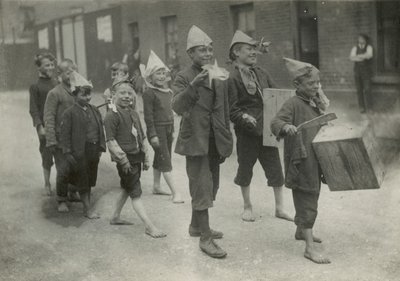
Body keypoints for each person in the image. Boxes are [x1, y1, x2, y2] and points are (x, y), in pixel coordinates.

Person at [172, 25, 233, 258]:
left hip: (214, 138)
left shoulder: (217, 72)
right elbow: (177, 105)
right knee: (202, 186)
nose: (207, 54)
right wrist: (193, 85)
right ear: (190, 54)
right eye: (201, 51)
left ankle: (196, 226)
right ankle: (205, 239)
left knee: (212, 185)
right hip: (195, 140)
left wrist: (226, 135)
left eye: (209, 50)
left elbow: (224, 106)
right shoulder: (183, 76)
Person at [227, 30, 292, 222]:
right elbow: (232, 109)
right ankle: (247, 206)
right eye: (249, 49)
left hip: (268, 131)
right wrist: (244, 116)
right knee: (245, 169)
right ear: (237, 52)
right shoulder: (233, 78)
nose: (254, 52)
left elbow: (275, 95)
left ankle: (280, 208)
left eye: (255, 49)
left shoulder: (262, 73)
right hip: (247, 133)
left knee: (275, 169)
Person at [271, 57, 331, 264]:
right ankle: (309, 248)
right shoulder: (293, 104)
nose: (315, 87)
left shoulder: (313, 102)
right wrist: (285, 127)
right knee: (306, 197)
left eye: (317, 83)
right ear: (297, 85)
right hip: (301, 158)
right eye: (311, 84)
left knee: (312, 193)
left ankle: (300, 231)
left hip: (315, 158)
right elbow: (276, 121)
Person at [104, 77, 166, 238]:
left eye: (130, 93)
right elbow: (111, 141)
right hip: (125, 159)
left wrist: (145, 157)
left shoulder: (133, 113)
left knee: (127, 187)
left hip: (136, 155)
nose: (126, 96)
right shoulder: (112, 116)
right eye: (122, 93)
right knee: (135, 191)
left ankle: (115, 216)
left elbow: (141, 135)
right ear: (114, 95)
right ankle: (149, 226)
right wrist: (122, 159)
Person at [60, 71, 105, 219]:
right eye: (83, 95)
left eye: (89, 94)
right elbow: (65, 135)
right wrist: (67, 152)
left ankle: (83, 202)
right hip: (79, 151)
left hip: (93, 150)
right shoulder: (69, 113)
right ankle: (87, 209)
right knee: (83, 179)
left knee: (90, 179)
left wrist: (100, 147)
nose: (87, 97)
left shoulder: (95, 110)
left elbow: (100, 129)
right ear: (74, 95)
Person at [141, 50, 184, 203]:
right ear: (150, 77)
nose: (160, 76)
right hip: (157, 130)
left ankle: (156, 186)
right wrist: (152, 135)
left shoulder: (168, 92)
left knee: (163, 156)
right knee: (165, 159)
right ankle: (175, 192)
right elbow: (148, 117)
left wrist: (172, 130)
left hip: (168, 128)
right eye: (157, 74)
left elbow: (170, 113)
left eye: (162, 73)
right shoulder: (149, 93)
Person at [44, 59, 80, 212]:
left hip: (75, 139)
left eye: (74, 71)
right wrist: (51, 140)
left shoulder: (77, 91)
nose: (72, 74)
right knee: (63, 169)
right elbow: (49, 117)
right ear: (59, 74)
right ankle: (61, 199)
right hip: (60, 141)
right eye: (68, 71)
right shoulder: (55, 93)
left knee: (75, 166)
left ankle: (72, 191)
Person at [29, 52, 58, 196]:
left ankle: (67, 186)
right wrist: (39, 127)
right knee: (46, 154)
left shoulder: (57, 83)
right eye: (47, 65)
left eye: (52, 64)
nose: (51, 67)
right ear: (39, 68)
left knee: (62, 154)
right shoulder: (35, 87)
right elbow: (33, 109)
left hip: (59, 124)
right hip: (45, 126)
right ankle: (47, 183)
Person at [349, 34, 373, 113]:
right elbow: (351, 57)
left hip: (366, 72)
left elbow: (369, 55)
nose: (360, 40)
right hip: (357, 72)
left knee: (367, 89)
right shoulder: (355, 47)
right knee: (359, 90)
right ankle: (362, 108)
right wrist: (363, 56)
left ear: (365, 40)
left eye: (362, 39)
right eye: (359, 38)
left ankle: (369, 108)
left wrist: (358, 56)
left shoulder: (369, 47)